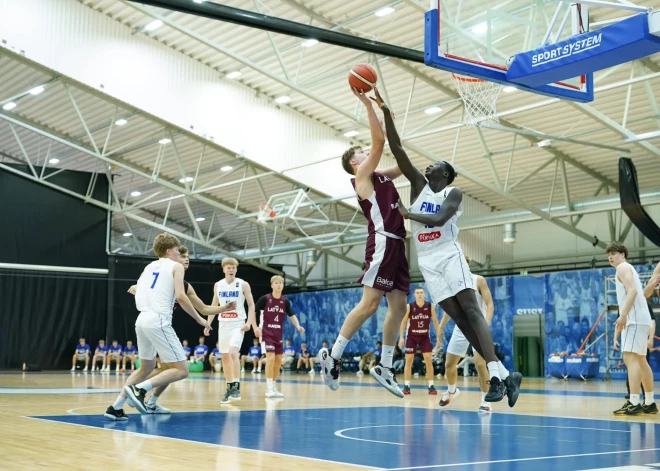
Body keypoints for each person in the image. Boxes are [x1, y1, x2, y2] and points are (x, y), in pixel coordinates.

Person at [373, 87, 522, 406]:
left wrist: (406, 213)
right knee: (460, 319)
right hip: (427, 262)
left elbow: (439, 220)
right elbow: (397, 148)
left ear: (445, 172)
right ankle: (506, 375)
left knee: (472, 310)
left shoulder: (452, 193)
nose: (427, 166)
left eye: (434, 165)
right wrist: (385, 111)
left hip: (449, 255)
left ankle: (495, 377)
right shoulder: (419, 186)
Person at [319, 87, 408, 397]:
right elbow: (380, 143)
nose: (365, 153)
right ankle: (334, 355)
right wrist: (365, 103)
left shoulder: (382, 176)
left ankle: (385, 365)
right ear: (355, 164)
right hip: (382, 242)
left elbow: (401, 158)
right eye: (361, 153)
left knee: (399, 307)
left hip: (398, 244)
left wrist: (387, 119)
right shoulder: (362, 179)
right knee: (369, 304)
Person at [103, 233, 212, 421]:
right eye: (178, 251)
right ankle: (140, 390)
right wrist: (200, 319)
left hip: (142, 319)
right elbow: (181, 296)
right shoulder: (176, 266)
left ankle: (115, 407)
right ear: (169, 251)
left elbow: (139, 288)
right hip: (158, 320)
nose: (180, 254)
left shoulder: (149, 267)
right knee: (181, 370)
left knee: (146, 367)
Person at [438, 258, 495, 412]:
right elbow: (450, 309)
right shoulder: (452, 285)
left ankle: (485, 401)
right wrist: (441, 326)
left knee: (480, 364)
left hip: (479, 327)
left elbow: (489, 304)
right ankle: (452, 391)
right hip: (461, 328)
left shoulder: (478, 280)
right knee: (449, 364)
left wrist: (486, 323)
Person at [608, 243, 657, 415]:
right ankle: (649, 402)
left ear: (622, 254)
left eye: (613, 253)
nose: (610, 257)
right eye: (608, 255)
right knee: (641, 360)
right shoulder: (627, 268)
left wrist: (623, 315)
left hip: (635, 319)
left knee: (630, 359)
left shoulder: (622, 267)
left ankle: (634, 401)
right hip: (642, 319)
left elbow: (633, 291)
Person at [206, 257, 260, 404]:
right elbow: (213, 305)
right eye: (228, 267)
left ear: (236, 269)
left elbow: (251, 305)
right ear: (223, 269)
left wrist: (249, 323)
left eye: (233, 267)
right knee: (224, 357)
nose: (231, 270)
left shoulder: (243, 284)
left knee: (233, 352)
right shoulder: (218, 285)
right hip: (223, 323)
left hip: (238, 323)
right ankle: (229, 388)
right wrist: (208, 323)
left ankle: (236, 386)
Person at [256, 275, 305, 398]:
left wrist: (298, 326)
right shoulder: (265, 299)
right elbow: (253, 311)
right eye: (276, 283)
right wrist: (254, 327)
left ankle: (273, 385)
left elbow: (292, 315)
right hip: (266, 333)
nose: (278, 285)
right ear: (272, 285)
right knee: (270, 358)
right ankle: (268, 388)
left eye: (281, 283)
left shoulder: (285, 301)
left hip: (278, 334)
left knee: (278, 361)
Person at [399, 287, 441, 396]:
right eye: (417, 293)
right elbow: (403, 322)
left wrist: (439, 337)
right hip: (411, 336)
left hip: (424, 336)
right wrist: (401, 337)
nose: (419, 294)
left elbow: (435, 321)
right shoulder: (410, 306)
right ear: (414, 295)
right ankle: (407, 385)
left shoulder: (430, 306)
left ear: (424, 294)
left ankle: (431, 385)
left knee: (428, 359)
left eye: (421, 292)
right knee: (409, 361)